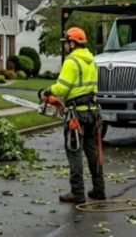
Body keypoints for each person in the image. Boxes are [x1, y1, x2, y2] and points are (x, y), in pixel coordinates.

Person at [43, 27, 105, 204]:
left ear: (72, 43)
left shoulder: (71, 62)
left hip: (77, 115)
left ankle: (77, 192)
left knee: (74, 152)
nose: (65, 46)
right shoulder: (91, 60)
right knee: (92, 152)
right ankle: (99, 189)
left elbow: (61, 88)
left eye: (67, 43)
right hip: (92, 112)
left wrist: (47, 91)